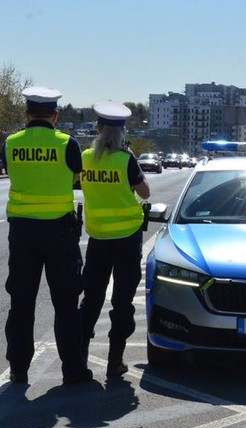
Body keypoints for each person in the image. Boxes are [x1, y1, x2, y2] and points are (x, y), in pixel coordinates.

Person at [2, 86, 92, 385]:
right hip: (59, 233)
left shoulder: (11, 143)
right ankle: (73, 370)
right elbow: (76, 179)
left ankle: (18, 369)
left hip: (22, 232)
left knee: (21, 304)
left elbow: (9, 171)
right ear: (55, 115)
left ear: (27, 114)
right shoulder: (68, 143)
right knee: (65, 304)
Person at [78, 101, 151, 377]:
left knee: (91, 299)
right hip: (127, 241)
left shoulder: (85, 158)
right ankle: (114, 362)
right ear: (122, 132)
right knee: (122, 301)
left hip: (97, 238)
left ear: (97, 129)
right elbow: (144, 193)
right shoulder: (126, 159)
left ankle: (79, 358)